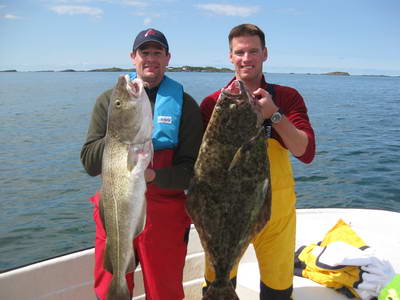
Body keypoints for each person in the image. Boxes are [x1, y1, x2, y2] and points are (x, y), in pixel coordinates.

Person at [80, 28, 204, 300]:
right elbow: (89, 162)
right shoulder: (110, 101)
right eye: (144, 52)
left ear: (167, 57)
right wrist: (117, 138)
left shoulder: (186, 105)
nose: (150, 58)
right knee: (110, 285)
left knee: (165, 291)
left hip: (165, 213)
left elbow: (192, 173)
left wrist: (152, 175)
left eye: (157, 52)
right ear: (133, 57)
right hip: (114, 207)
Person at [200, 24, 316, 299]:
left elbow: (306, 152)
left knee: (277, 291)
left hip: (277, 215)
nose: (246, 58)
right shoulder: (213, 103)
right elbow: (201, 167)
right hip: (224, 216)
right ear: (230, 56)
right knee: (218, 284)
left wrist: (274, 114)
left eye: (253, 51)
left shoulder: (286, 97)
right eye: (239, 52)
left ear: (265, 54)